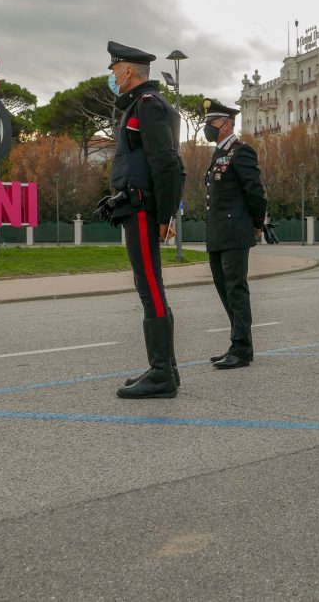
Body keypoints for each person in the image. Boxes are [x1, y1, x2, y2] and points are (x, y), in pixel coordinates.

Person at [98, 41, 183, 399]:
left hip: (146, 209)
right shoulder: (138, 105)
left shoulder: (148, 106)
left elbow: (167, 164)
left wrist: (165, 216)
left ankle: (162, 373)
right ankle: (165, 368)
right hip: (137, 207)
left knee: (150, 286)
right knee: (148, 286)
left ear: (129, 70)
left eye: (115, 70)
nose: (113, 76)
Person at [202, 98, 268, 369]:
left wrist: (255, 223)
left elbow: (255, 192)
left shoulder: (241, 152)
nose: (207, 127)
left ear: (227, 124)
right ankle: (237, 342)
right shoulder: (218, 153)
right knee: (224, 290)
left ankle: (241, 349)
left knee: (236, 290)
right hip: (218, 233)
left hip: (235, 232)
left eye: (212, 123)